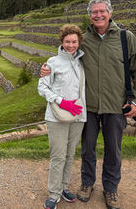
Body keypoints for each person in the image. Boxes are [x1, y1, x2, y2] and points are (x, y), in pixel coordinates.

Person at [40, 0, 136, 209]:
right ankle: (87, 184)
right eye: (94, 12)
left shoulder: (126, 38)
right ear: (89, 15)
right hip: (87, 107)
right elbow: (66, 57)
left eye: (102, 11)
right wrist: (47, 69)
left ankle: (110, 189)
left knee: (113, 150)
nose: (98, 15)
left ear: (110, 13)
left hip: (116, 106)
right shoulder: (84, 40)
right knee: (87, 149)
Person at [38, 24, 87, 209]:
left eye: (74, 41)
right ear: (61, 42)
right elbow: (42, 87)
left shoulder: (83, 61)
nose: (71, 45)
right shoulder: (52, 62)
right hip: (57, 116)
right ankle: (53, 193)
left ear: (79, 42)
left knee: (69, 154)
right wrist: (60, 101)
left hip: (78, 115)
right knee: (58, 155)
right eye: (67, 41)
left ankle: (64, 187)